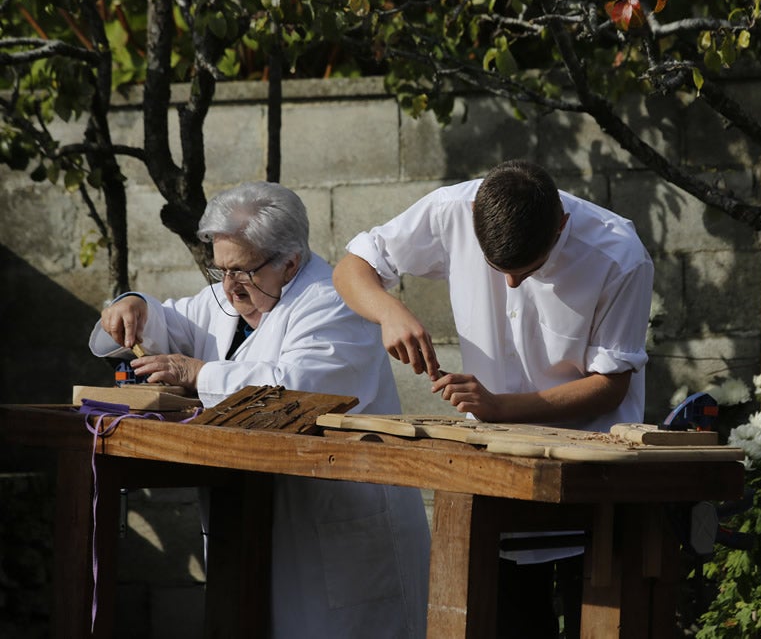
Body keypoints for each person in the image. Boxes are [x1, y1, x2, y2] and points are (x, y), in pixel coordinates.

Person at [89, 181, 430, 639]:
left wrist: (197, 373)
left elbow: (297, 388)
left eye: (242, 271)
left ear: (289, 262)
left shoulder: (333, 303)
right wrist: (132, 306)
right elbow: (166, 320)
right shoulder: (227, 299)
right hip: (251, 528)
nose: (228, 287)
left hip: (336, 535)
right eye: (220, 270)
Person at [333, 160, 654, 638]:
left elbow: (609, 385)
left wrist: (500, 407)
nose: (509, 285)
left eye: (528, 270)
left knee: (600, 621)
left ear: (561, 224)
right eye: (496, 269)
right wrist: (390, 312)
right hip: (497, 472)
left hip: (591, 474)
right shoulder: (452, 209)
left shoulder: (619, 254)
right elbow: (353, 265)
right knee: (508, 620)